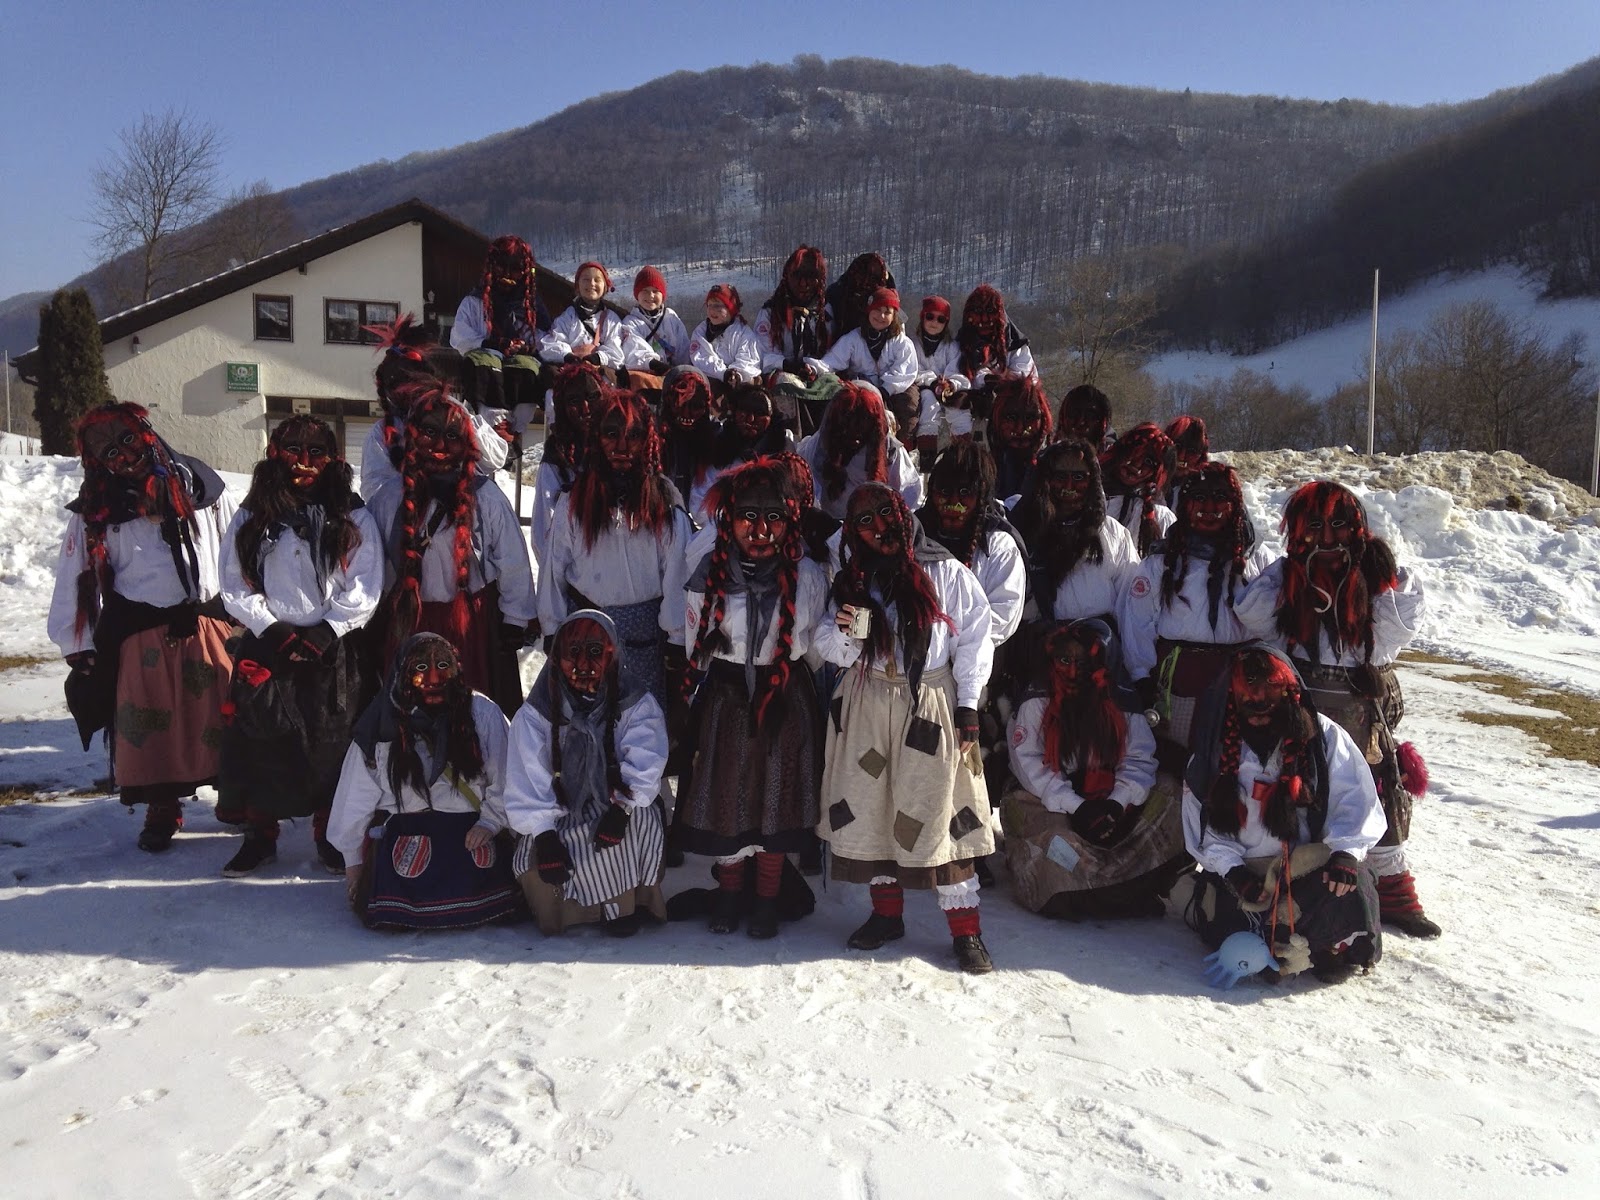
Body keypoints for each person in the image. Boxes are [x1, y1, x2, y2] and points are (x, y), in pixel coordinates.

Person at [1236, 481, 1438, 937]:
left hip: (1358, 709)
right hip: (1301, 706)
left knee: (1378, 794)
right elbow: (1251, 613)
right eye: (1314, 526)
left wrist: (1382, 574)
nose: (1327, 538)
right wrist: (1291, 570)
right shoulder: (1285, 582)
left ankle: (1393, 893)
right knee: (1303, 796)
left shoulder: (1373, 582)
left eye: (1339, 525)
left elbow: (1396, 633)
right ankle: (1310, 891)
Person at [814, 482, 997, 974]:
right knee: (873, 807)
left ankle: (966, 931)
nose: (877, 529)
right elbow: (828, 648)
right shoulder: (851, 579)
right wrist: (849, 633)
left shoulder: (946, 572)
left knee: (940, 809)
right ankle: (886, 916)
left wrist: (970, 707)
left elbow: (977, 639)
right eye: (863, 523)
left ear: (902, 512)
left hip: (929, 704)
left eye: (883, 514)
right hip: (867, 701)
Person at [49, 402, 237, 852]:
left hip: (206, 623)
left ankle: (238, 796)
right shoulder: (96, 508)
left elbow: (235, 550)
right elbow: (76, 572)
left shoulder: (202, 487)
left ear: (147, 433)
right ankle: (162, 805)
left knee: (223, 716)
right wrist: (76, 640)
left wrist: (246, 611)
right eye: (108, 451)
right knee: (151, 725)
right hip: (139, 631)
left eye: (127, 440)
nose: (123, 455)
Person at [215, 416, 384, 877]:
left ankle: (329, 836)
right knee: (260, 739)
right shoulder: (253, 515)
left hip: (331, 648)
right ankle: (259, 836)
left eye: (316, 453)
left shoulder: (351, 515)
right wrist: (270, 628)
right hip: (269, 644)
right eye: (294, 451)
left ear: (332, 460)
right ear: (274, 453)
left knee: (331, 743)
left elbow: (365, 584)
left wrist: (327, 631)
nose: (305, 463)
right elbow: (234, 582)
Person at [679, 458, 828, 936]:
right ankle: (727, 894)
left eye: (774, 518)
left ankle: (766, 900)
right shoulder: (708, 575)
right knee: (729, 796)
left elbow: (815, 648)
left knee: (776, 799)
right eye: (749, 517)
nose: (761, 530)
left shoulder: (806, 575)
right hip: (727, 701)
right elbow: (694, 651)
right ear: (730, 518)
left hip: (785, 699)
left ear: (790, 520)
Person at [1182, 645, 1386, 985]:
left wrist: (1345, 856)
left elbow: (1354, 799)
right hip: (1244, 873)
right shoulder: (1213, 744)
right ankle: (1287, 948)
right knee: (1231, 926)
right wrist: (1234, 874)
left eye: (1270, 695)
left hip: (1305, 868)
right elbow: (1201, 824)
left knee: (1350, 887)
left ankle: (1324, 950)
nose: (1259, 707)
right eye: (1248, 697)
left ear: (1288, 692)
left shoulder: (1325, 737)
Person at [328, 633, 521, 929]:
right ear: (403, 670)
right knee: (398, 905)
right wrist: (353, 865)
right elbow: (354, 796)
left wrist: (491, 822)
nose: (433, 677)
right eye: (420, 668)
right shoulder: (381, 723)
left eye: (443, 665)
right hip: (408, 833)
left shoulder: (480, 712)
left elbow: (506, 775)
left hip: (470, 832)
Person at [366, 384, 535, 716]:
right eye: (430, 432)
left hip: (469, 627)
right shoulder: (387, 499)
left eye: (452, 436)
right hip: (406, 624)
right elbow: (374, 563)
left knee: (468, 709)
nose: (441, 445)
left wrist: (515, 618)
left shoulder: (485, 498)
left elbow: (512, 560)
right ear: (412, 435)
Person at [1003, 619, 1183, 919]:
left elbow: (1139, 759)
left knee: (1170, 795)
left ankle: (1106, 891)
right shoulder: (1036, 700)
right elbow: (1028, 763)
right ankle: (1113, 893)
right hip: (1052, 803)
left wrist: (1115, 803)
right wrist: (1077, 807)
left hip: (1109, 802)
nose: (1073, 669)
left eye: (1083, 661)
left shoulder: (1123, 700)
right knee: (1053, 843)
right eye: (1065, 660)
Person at [506, 610, 669, 937]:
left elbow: (645, 763)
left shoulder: (634, 703)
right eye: (572, 654)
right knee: (556, 849)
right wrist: (544, 835)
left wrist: (623, 809)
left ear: (612, 655)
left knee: (638, 823)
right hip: (557, 808)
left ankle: (624, 908)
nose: (583, 664)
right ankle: (569, 914)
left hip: (616, 804)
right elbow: (526, 778)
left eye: (595, 652)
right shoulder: (537, 714)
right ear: (557, 658)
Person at [536, 387, 692, 705]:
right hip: (586, 636)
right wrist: (552, 626)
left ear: (646, 440)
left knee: (639, 722)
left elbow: (677, 574)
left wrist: (676, 635)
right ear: (596, 437)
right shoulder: (573, 504)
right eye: (611, 433)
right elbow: (554, 568)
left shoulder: (663, 504)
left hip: (644, 641)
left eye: (633, 435)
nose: (621, 446)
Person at [1121, 463, 1271, 772]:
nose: (1208, 507)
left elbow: (1273, 623)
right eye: (1198, 498)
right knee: (1178, 764)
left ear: (1236, 505)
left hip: (1240, 681)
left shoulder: (1257, 561)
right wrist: (1141, 675)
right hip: (1179, 680)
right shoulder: (1162, 562)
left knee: (1234, 766)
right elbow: (1137, 623)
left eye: (1219, 497)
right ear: (1184, 505)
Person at [362, 314, 508, 496]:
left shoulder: (453, 415)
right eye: (396, 387)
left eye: (413, 385)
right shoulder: (382, 434)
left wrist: (461, 417)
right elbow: (374, 490)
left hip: (460, 511)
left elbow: (494, 459)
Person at [451, 234, 549, 417]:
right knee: (484, 364)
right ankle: (491, 423)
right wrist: (491, 344)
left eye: (515, 269)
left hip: (520, 365)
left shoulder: (532, 306)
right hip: (485, 364)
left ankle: (513, 431)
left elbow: (547, 339)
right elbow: (460, 336)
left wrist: (527, 347)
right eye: (501, 267)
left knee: (526, 370)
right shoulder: (475, 302)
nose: (507, 275)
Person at [795, 381, 923, 521]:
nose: (855, 433)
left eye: (862, 422)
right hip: (829, 527)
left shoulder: (890, 451)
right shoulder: (818, 447)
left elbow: (909, 497)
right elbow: (806, 494)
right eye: (848, 421)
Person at [529, 361, 603, 571]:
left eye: (592, 397)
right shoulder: (556, 458)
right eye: (574, 401)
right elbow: (544, 532)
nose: (586, 409)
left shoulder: (618, 448)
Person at [754, 246, 836, 436]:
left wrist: (814, 367)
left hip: (816, 371)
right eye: (798, 277)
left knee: (836, 389)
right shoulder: (770, 313)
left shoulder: (827, 314)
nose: (804, 284)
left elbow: (834, 352)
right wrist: (789, 364)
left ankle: (827, 444)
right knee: (786, 386)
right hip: (781, 370)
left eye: (811, 278)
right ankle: (793, 443)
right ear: (787, 278)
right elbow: (763, 352)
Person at [819, 286, 920, 441]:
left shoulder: (902, 343)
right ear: (868, 310)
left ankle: (906, 447)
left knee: (909, 405)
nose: (881, 316)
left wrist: (886, 390)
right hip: (864, 384)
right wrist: (814, 367)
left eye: (887, 312)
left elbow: (904, 370)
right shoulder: (854, 338)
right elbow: (834, 359)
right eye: (877, 310)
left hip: (895, 388)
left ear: (894, 316)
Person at [910, 295, 973, 463]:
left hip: (947, 388)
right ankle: (927, 455)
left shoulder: (952, 347)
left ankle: (962, 453)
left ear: (946, 323)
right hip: (924, 388)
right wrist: (931, 381)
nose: (934, 322)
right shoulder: (912, 344)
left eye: (941, 319)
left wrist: (951, 384)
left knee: (959, 406)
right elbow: (912, 370)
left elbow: (958, 371)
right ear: (923, 317)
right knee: (929, 403)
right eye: (930, 316)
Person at [540, 261, 627, 380]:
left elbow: (616, 352)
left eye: (597, 280)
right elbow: (552, 343)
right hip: (572, 371)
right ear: (578, 285)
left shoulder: (611, 320)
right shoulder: (568, 316)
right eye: (586, 279)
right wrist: (568, 356)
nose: (591, 284)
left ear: (605, 286)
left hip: (599, 373)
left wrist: (598, 357)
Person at [1101, 422, 1175, 557]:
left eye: (1148, 462)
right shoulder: (1089, 498)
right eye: (1134, 454)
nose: (1136, 466)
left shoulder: (1161, 517)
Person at [657, 365, 721, 516]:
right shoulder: (651, 438)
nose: (687, 413)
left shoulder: (718, 437)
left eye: (696, 406)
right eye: (680, 405)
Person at [956, 284, 1038, 397]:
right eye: (978, 311)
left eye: (990, 311)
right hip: (972, 405)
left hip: (1010, 404)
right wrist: (986, 379)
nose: (984, 318)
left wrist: (1002, 380)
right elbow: (956, 377)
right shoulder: (961, 345)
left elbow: (1027, 378)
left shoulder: (1015, 344)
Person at [689, 284, 763, 400]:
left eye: (718, 306)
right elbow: (702, 357)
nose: (713, 310)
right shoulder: (701, 331)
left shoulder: (744, 333)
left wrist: (736, 374)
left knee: (751, 384)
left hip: (738, 382)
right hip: (712, 378)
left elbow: (748, 359)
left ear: (731, 309)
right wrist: (723, 373)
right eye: (709, 305)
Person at [987, 375, 1054, 501]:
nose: (1020, 428)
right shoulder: (983, 472)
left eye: (1030, 418)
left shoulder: (1056, 469)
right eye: (1011, 417)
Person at [620, 265, 690, 375]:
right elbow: (635, 351)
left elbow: (683, 348)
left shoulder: (671, 317)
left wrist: (685, 370)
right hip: (648, 375)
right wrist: (654, 364)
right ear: (637, 294)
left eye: (655, 291)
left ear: (662, 295)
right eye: (645, 290)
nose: (650, 295)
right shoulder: (630, 322)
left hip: (674, 374)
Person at [824, 252, 894, 343]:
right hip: (842, 347)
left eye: (873, 278)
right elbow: (826, 329)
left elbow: (898, 325)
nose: (866, 283)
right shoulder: (837, 294)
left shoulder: (886, 297)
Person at [1163, 415, 1209, 510]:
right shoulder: (1144, 482)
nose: (1182, 456)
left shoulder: (1208, 491)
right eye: (1177, 447)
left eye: (1192, 451)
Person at [1055, 383, 1114, 452]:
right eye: (1074, 413)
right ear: (1062, 419)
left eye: (1090, 416)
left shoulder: (1120, 460)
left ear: (1103, 423)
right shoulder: (1044, 460)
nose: (1081, 422)